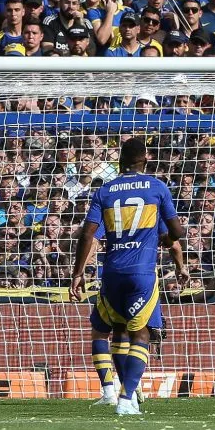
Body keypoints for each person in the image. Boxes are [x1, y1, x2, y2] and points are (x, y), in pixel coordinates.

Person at [68, 138, 184, 416]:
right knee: (140, 333)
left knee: (115, 331)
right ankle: (126, 397)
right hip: (141, 272)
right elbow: (178, 231)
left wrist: (78, 273)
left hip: (112, 272)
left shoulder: (105, 190)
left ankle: (118, 393)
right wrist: (167, 239)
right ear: (145, 158)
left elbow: (87, 234)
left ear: (121, 161)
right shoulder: (157, 187)